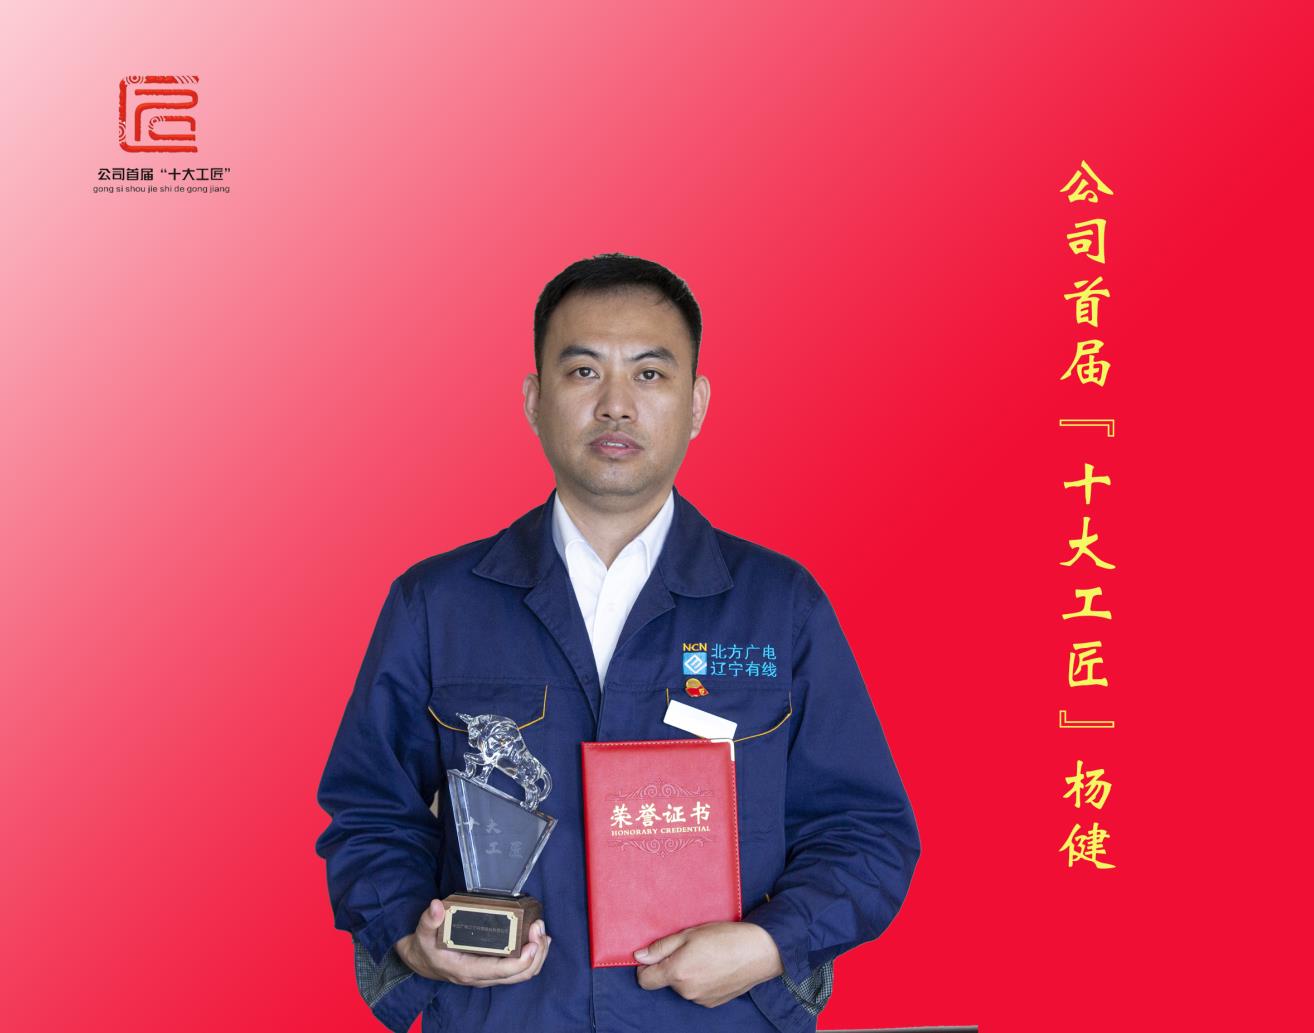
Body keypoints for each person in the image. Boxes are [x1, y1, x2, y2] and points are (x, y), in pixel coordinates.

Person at [314, 253, 920, 1033]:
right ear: (534, 400)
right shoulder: (437, 604)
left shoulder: (779, 606)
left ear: (696, 404)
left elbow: (866, 831)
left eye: (649, 374)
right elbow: (369, 812)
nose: (615, 405)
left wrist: (770, 944)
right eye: (582, 372)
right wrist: (414, 939)